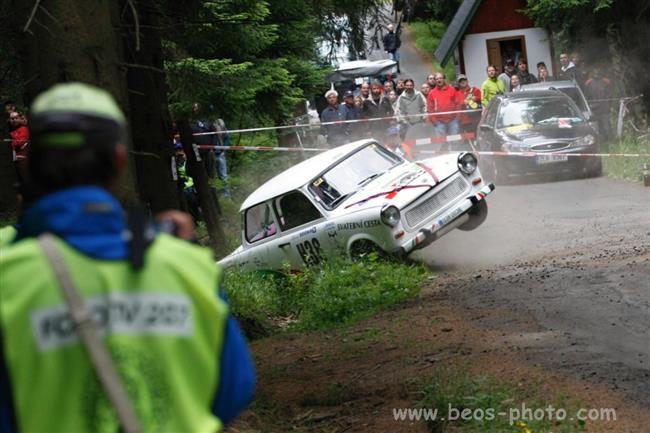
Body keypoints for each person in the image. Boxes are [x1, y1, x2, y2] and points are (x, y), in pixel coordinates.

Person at [0, 82, 255, 433]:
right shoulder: (187, 267)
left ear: (30, 166)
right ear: (119, 162)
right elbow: (232, 391)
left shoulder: (8, 278)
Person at [427, 72, 464, 137]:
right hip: (439, 122)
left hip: (453, 121)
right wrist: (435, 122)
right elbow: (430, 109)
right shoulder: (431, 93)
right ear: (435, 81)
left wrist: (457, 118)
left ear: (444, 79)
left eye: (440, 78)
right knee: (441, 143)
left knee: (455, 141)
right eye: (437, 79)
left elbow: (458, 104)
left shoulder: (452, 90)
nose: (439, 80)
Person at [190, 102, 217, 177]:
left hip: (208, 149)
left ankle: (211, 185)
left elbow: (214, 134)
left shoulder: (207, 121)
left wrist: (212, 147)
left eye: (197, 108)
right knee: (200, 170)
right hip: (196, 150)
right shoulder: (190, 122)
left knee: (210, 169)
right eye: (194, 108)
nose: (196, 110)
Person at [213, 118, 232, 198]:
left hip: (220, 153)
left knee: (223, 176)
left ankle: (227, 196)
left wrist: (224, 150)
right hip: (211, 154)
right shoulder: (207, 126)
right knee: (214, 176)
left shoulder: (221, 124)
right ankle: (218, 196)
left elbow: (228, 140)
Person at [8, 111, 29, 181]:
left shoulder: (23, 129)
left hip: (22, 160)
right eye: (12, 119)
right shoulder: (10, 131)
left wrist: (10, 144)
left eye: (16, 118)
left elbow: (20, 142)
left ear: (19, 119)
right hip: (13, 160)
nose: (14, 120)